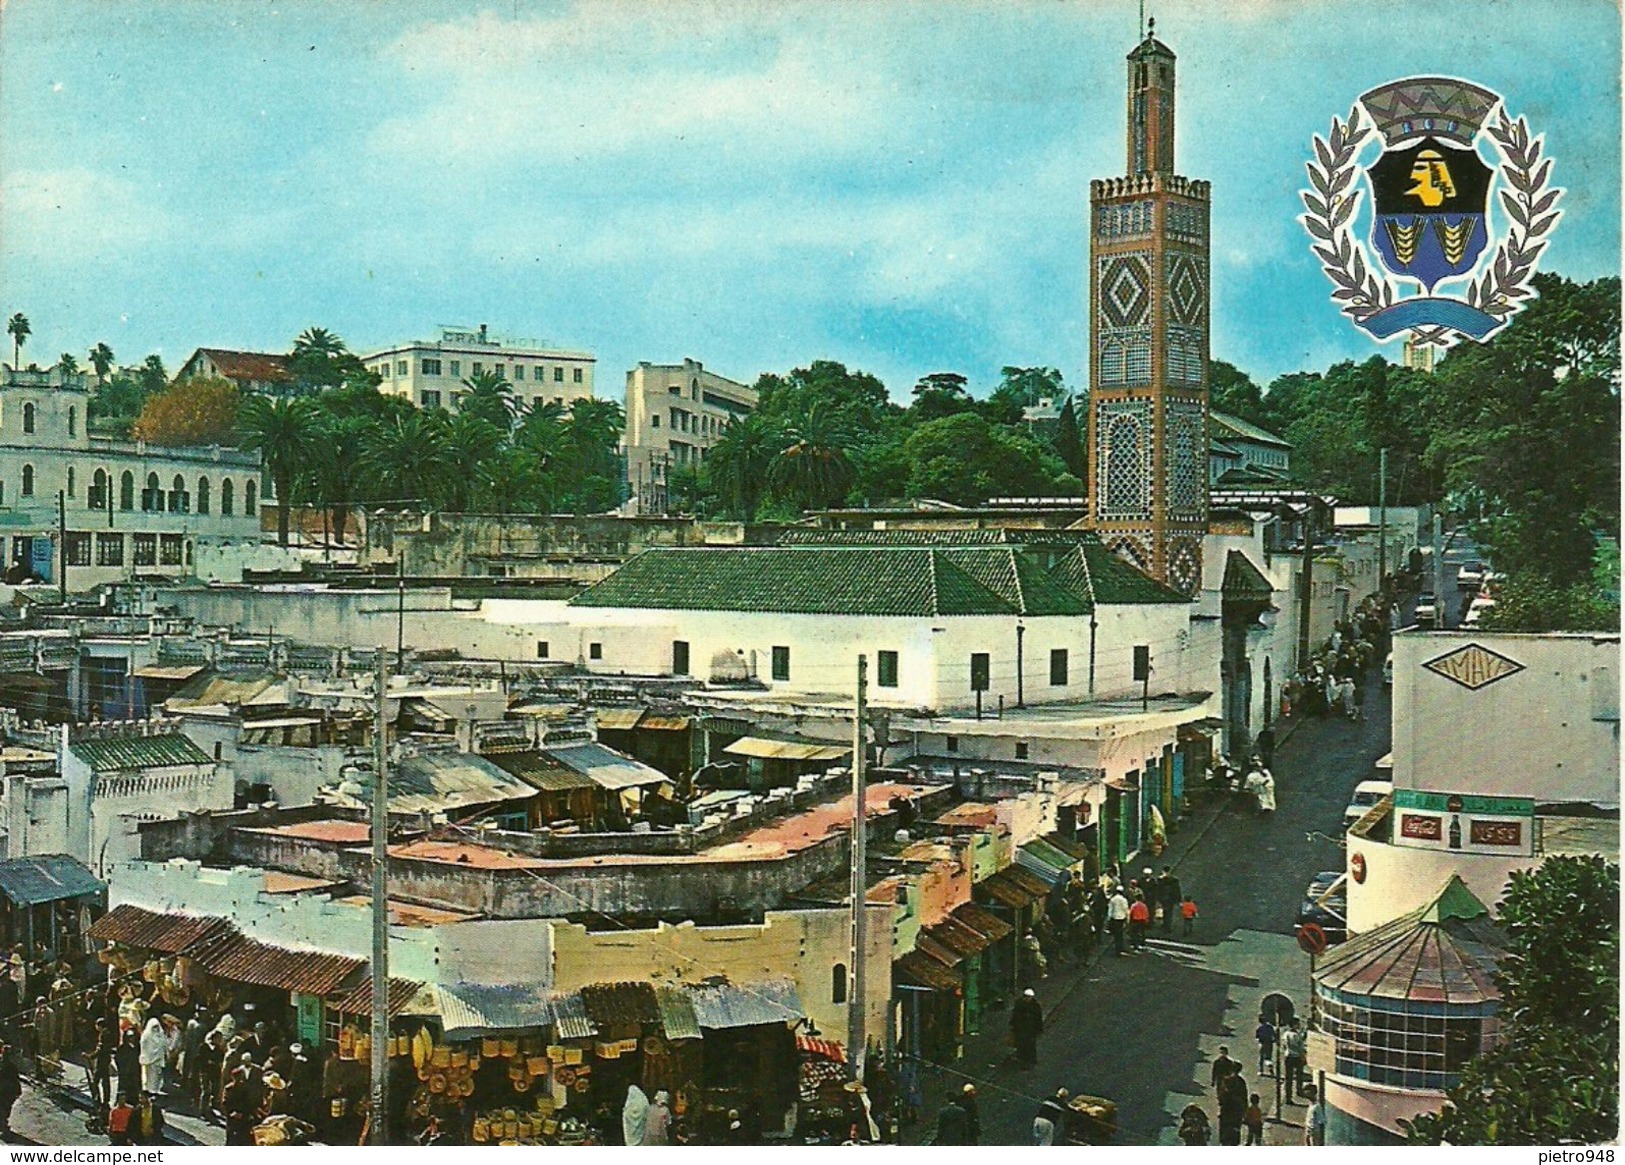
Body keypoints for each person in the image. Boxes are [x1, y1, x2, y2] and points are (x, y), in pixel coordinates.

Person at [1010, 987, 1044, 1067]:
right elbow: (1015, 1016)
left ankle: (1030, 1060)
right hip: (1021, 1029)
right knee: (1022, 1044)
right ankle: (1023, 1060)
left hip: (1030, 1029)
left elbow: (1038, 1018)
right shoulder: (1020, 1004)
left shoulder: (1035, 1006)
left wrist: (1039, 1028)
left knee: (1030, 1045)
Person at [1216, 1066, 1248, 1146]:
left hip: (1229, 1110)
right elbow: (1244, 1097)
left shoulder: (1226, 1081)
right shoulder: (1240, 1081)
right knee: (1233, 1132)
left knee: (1226, 1132)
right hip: (1235, 1110)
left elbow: (1220, 1095)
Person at [138, 1018, 167, 1096]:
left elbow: (164, 1045)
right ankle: (148, 1090)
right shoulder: (146, 1035)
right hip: (149, 1059)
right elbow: (143, 1046)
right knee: (148, 1075)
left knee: (157, 1075)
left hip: (158, 1059)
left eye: (156, 1026)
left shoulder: (161, 1034)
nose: (155, 1029)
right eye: (153, 1027)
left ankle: (155, 1089)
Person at [115, 1028, 141, 1105]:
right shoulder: (121, 1048)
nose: (132, 1038)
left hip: (135, 1073)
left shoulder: (138, 1047)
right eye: (129, 1037)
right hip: (125, 1074)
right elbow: (117, 1059)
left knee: (135, 1088)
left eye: (133, 1036)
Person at [1282, 1019, 1307, 1100]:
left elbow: (1284, 1045)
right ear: (1294, 1025)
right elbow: (1299, 1047)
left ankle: (1288, 1096)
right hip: (1297, 1057)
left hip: (1288, 1056)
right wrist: (1303, 1057)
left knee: (1288, 1077)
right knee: (1299, 1075)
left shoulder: (1286, 1034)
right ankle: (1299, 1090)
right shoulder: (1296, 1035)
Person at [1107, 886, 1130, 955]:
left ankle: (1117, 948)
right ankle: (1120, 947)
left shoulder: (1113, 899)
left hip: (1114, 918)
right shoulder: (1124, 900)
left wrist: (1109, 918)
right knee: (1120, 934)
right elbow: (1126, 909)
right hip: (1121, 918)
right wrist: (1128, 919)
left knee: (1116, 934)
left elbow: (1110, 910)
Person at [1158, 868, 1182, 934]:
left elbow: (1158, 890)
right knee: (1167, 913)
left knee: (1167, 913)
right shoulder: (1174, 880)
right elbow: (1177, 890)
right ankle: (1166, 925)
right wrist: (1179, 900)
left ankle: (1167, 927)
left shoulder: (1161, 880)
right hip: (1169, 899)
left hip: (1166, 899)